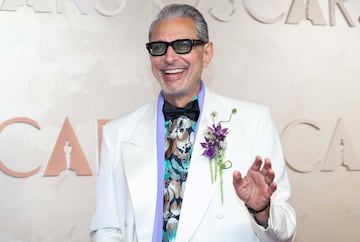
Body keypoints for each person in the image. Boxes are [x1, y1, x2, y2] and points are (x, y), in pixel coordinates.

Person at [90, 3, 296, 242]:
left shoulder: (252, 121)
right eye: (159, 48)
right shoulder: (118, 133)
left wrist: (261, 209)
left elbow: (286, 231)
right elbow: (106, 229)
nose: (169, 57)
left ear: (206, 53)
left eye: (183, 45)